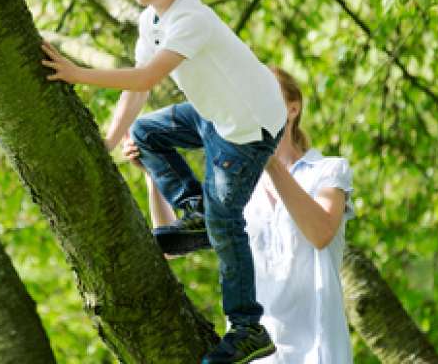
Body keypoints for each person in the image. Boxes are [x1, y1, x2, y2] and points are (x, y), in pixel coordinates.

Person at [42, 0, 287, 364]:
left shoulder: (191, 19)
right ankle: (193, 211)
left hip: (248, 131)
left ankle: (249, 327)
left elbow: (145, 78)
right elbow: (135, 95)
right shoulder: (150, 18)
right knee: (147, 132)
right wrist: (106, 144)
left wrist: (77, 73)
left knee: (226, 223)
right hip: (217, 117)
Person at [125, 66, 355, 363]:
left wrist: (269, 162)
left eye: (265, 98)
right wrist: (153, 176)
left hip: (319, 349)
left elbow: (321, 233)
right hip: (259, 355)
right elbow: (172, 246)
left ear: (292, 109)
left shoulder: (327, 171)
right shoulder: (233, 182)